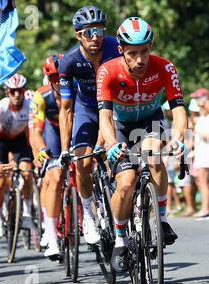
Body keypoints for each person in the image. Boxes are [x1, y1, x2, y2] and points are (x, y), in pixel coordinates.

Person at [97, 17, 188, 272]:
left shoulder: (165, 68)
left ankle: (161, 219)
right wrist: (112, 143)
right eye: (133, 54)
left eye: (145, 52)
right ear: (121, 51)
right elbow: (104, 115)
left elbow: (178, 111)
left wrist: (178, 137)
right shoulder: (108, 71)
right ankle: (120, 239)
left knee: (153, 155)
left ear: (151, 47)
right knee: (125, 182)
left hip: (151, 120)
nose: (140, 60)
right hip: (120, 126)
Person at [58, 6, 121, 244]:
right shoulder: (70, 62)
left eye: (100, 31)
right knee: (83, 162)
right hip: (87, 109)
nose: (95, 37)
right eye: (89, 32)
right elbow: (66, 109)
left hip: (115, 106)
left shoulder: (116, 48)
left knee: (116, 156)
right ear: (77, 35)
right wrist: (65, 149)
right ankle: (89, 214)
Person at [0, 73, 35, 239]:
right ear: (7, 91)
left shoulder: (29, 105)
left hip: (19, 139)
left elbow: (31, 132)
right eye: (13, 91)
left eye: (19, 91)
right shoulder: (1, 108)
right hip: (1, 141)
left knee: (27, 173)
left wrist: (34, 153)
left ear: (24, 91)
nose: (16, 94)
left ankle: (27, 212)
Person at [29, 54, 65, 258]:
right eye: (54, 79)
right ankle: (51, 237)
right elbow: (35, 132)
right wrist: (42, 150)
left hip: (72, 129)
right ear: (49, 80)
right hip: (51, 132)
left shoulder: (77, 89)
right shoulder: (41, 96)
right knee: (55, 176)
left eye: (62, 77)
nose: (59, 82)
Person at [191, 89, 209, 220]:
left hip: (206, 153)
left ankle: (205, 209)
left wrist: (197, 132)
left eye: (198, 99)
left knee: (203, 181)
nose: (196, 103)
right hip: (203, 153)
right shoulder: (203, 117)